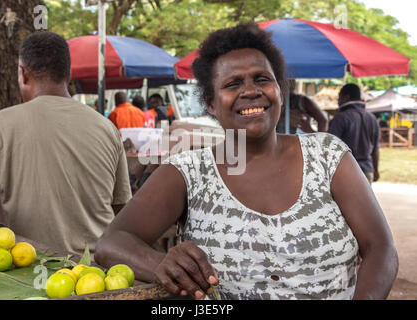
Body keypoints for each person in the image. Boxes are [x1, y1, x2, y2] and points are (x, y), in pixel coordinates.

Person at [94, 22, 398, 300]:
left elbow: (381, 249)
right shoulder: (188, 172)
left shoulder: (328, 156)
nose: (251, 91)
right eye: (233, 84)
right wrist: (163, 263)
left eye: (262, 79)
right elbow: (111, 244)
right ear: (211, 103)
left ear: (279, 89)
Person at [0, 31, 132, 256]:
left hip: (29, 273)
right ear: (68, 74)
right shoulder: (107, 129)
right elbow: (120, 208)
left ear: (23, 73)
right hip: (97, 273)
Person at [328, 84, 381, 184]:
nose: (338, 101)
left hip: (345, 172)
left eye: (339, 97)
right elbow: (376, 149)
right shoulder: (372, 118)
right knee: (364, 200)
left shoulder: (341, 118)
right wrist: (375, 170)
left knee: (344, 200)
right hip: (367, 170)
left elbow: (330, 147)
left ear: (346, 97)